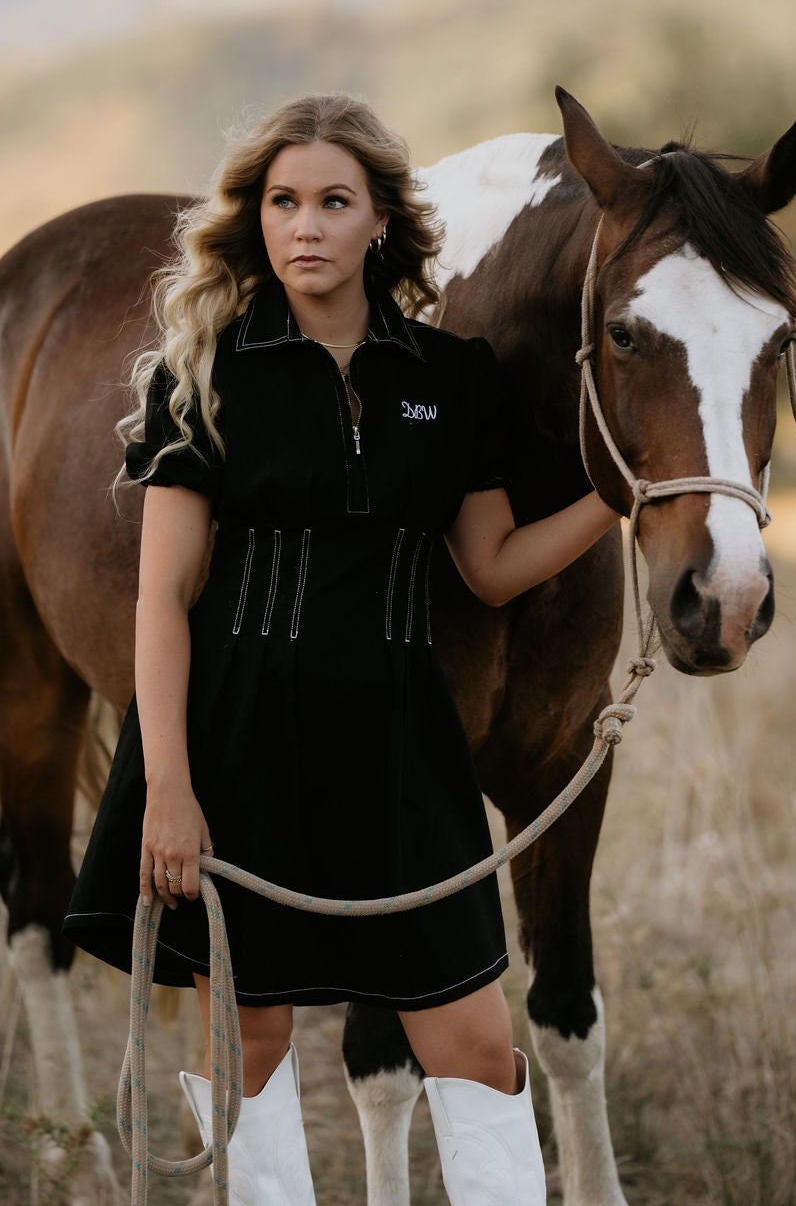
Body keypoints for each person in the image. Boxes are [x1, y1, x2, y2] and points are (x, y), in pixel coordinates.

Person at [63, 92, 620, 1205]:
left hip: (405, 736)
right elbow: (163, 599)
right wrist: (166, 784)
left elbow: (491, 565)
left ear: (380, 222)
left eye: (332, 201)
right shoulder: (207, 372)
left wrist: (618, 492)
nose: (305, 226)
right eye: (282, 202)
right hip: (236, 734)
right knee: (250, 1040)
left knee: (471, 1036)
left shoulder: (447, 378)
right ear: (256, 223)